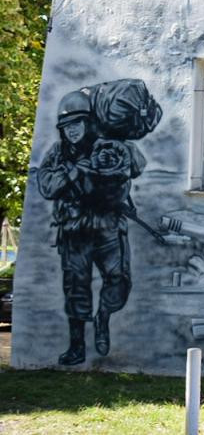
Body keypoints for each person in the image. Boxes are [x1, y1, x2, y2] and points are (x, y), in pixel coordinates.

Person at [37, 89, 146, 365]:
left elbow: (136, 164)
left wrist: (116, 156)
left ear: (87, 122)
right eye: (67, 126)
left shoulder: (106, 144)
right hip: (75, 231)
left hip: (108, 226)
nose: (73, 131)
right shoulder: (58, 154)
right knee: (76, 287)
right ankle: (77, 346)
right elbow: (47, 185)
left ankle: (103, 317)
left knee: (119, 279)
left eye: (77, 124)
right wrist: (75, 171)